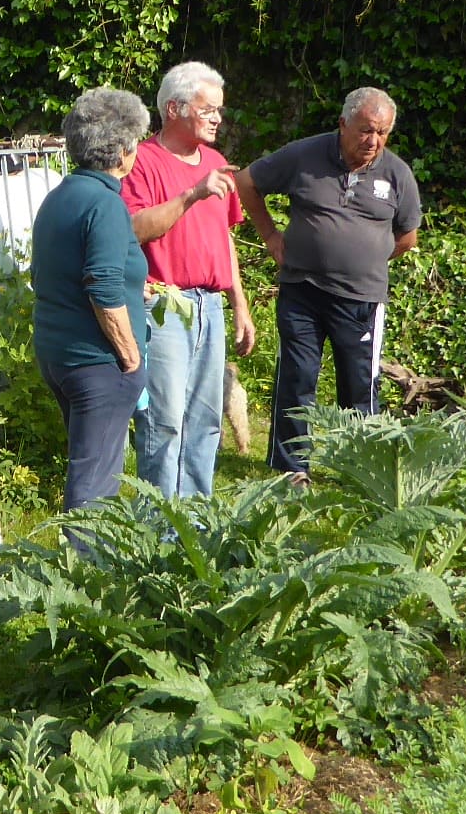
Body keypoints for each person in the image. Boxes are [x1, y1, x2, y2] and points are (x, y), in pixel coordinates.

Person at [238, 86, 423, 478]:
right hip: (301, 291)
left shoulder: (397, 173)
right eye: (366, 130)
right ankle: (292, 469)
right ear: (343, 124)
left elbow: (407, 237)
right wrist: (271, 236)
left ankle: (359, 470)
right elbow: (246, 182)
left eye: (383, 132)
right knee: (297, 377)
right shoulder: (303, 155)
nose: (374, 141)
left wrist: (364, 259)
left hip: (361, 301)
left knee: (359, 387)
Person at [122, 62, 256, 500]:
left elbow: (224, 239)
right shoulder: (142, 160)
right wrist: (192, 193)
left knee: (205, 419)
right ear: (175, 108)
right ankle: (156, 528)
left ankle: (196, 523)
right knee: (164, 420)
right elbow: (135, 228)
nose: (218, 118)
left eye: (220, 110)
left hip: (210, 307)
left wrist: (240, 303)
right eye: (208, 109)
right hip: (163, 305)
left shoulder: (217, 163)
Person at [29, 87, 154, 511]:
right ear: (122, 151)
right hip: (97, 363)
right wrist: (131, 357)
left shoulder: (60, 196)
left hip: (59, 355)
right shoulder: (105, 204)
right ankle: (83, 571)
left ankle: (80, 561)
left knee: (89, 464)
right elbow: (101, 287)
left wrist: (137, 289)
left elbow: (58, 272)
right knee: (95, 481)